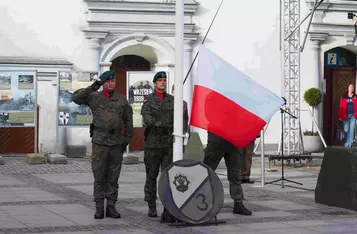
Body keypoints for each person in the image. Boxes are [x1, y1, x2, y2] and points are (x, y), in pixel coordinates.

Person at [71, 70, 134, 219]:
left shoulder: (122, 100)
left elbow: (128, 122)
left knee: (113, 177)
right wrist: (95, 84)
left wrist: (126, 141)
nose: (111, 83)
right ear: (103, 83)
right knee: (99, 176)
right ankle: (99, 207)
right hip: (100, 142)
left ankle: (111, 206)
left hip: (116, 143)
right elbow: (75, 98)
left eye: (113, 80)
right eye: (107, 81)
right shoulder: (94, 97)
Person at [141, 71, 178, 222]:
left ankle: (167, 206)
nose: (163, 82)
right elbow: (147, 117)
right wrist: (161, 124)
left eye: (164, 80)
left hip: (168, 144)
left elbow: (178, 119)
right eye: (160, 80)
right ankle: (151, 205)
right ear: (155, 83)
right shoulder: (149, 100)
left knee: (168, 176)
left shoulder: (172, 100)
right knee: (151, 176)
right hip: (153, 144)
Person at [171, 84, 190, 152]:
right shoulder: (168, 102)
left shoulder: (184, 103)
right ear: (172, 91)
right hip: (170, 132)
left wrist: (187, 132)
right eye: (176, 90)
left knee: (180, 151)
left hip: (182, 131)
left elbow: (186, 118)